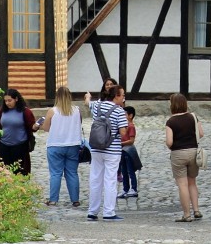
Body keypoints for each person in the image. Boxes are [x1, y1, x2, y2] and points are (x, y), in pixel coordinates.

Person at [85, 85, 129, 221]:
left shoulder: (98, 106)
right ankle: (109, 212)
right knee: (110, 180)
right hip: (112, 150)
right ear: (116, 96)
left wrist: (87, 97)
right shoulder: (119, 111)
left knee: (95, 179)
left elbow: (88, 104)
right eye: (122, 95)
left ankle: (92, 211)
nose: (124, 98)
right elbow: (123, 132)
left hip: (96, 148)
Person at [35, 85, 83, 207]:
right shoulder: (77, 110)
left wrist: (40, 124)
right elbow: (79, 123)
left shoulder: (53, 111)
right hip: (73, 144)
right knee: (72, 173)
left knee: (56, 173)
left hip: (55, 144)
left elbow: (46, 128)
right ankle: (75, 200)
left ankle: (53, 200)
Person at [164, 93, 204, 222]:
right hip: (193, 152)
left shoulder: (171, 121)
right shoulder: (193, 117)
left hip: (178, 154)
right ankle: (196, 210)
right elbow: (201, 133)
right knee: (192, 182)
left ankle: (186, 214)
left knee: (182, 184)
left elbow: (169, 142)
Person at [0, 88, 36, 175]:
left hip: (20, 146)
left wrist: (36, 126)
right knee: (3, 171)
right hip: (3, 146)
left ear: (16, 99)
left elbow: (31, 127)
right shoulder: (3, 111)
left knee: (19, 172)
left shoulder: (26, 112)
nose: (7, 103)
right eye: (5, 101)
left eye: (9, 100)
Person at [118, 105, 141, 198]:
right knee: (124, 171)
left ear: (130, 116)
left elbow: (131, 141)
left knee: (130, 171)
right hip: (123, 151)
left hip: (128, 151)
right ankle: (125, 189)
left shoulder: (131, 126)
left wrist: (121, 143)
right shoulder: (124, 126)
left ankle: (134, 189)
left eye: (124, 114)